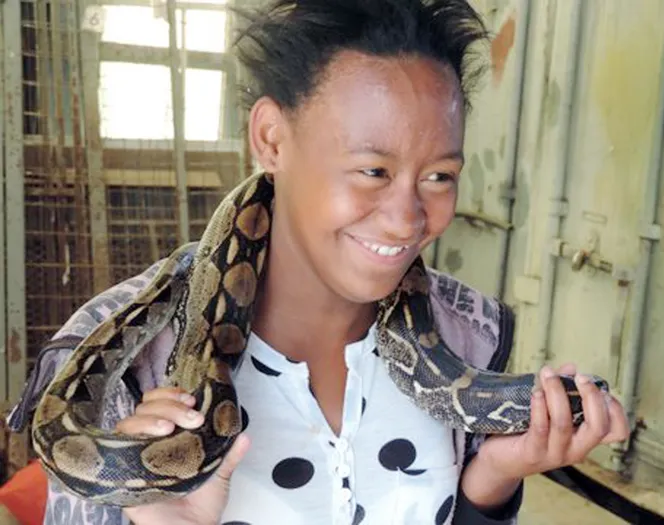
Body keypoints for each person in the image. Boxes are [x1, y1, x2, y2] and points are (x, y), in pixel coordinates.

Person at [10, 0, 629, 524]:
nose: (406, 218)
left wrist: (490, 481)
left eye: (439, 176)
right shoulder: (110, 368)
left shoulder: (470, 333)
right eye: (373, 170)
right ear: (272, 139)